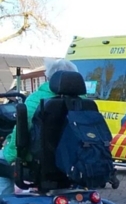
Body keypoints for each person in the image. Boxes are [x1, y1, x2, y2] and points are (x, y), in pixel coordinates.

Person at [0, 58, 79, 196]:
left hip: (40, 160)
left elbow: (21, 132)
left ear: (50, 78)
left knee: (1, 162)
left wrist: (10, 155)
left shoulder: (37, 99)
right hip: (72, 160)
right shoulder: (83, 102)